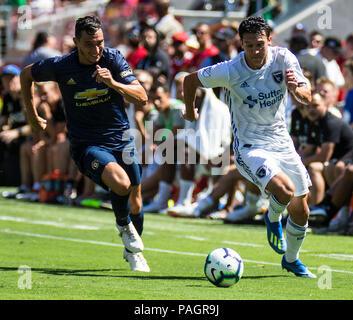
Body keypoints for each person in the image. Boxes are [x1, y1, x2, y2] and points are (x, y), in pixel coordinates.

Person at [183, 16, 316, 278]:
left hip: (282, 142)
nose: (255, 51)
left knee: (302, 208)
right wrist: (190, 111)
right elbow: (190, 80)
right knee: (284, 191)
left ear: (269, 40)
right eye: (248, 46)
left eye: (259, 45)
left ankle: (291, 260)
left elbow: (306, 93)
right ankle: (272, 217)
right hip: (249, 146)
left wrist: (298, 92)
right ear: (240, 44)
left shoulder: (284, 58)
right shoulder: (231, 70)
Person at [20, 16, 150, 272]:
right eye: (89, 44)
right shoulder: (61, 65)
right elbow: (27, 75)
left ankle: (132, 251)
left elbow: (142, 97)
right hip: (87, 144)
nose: (96, 50)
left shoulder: (112, 60)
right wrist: (32, 116)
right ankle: (124, 228)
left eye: (100, 43)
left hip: (120, 138)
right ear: (75, 42)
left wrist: (112, 83)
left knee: (135, 198)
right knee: (121, 183)